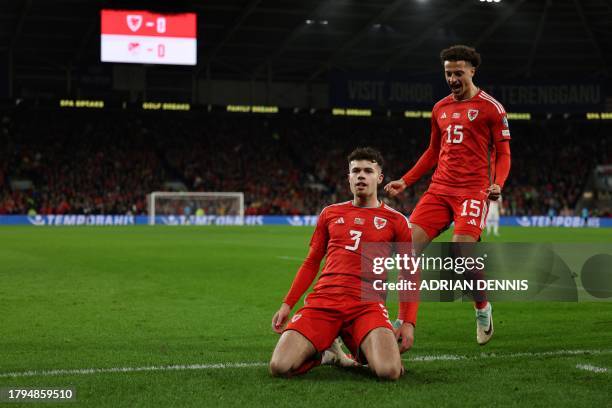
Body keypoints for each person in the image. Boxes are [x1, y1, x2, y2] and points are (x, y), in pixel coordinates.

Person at [385, 45, 511, 345]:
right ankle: (404, 320)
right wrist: (406, 180)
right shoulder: (439, 108)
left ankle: (482, 308)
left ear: (472, 71)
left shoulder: (491, 108)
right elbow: (432, 152)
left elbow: (504, 153)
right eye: (448, 73)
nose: (453, 78)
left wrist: (499, 183)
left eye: (458, 72)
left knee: (460, 252)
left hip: (472, 191)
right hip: (439, 190)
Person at [269, 147, 418, 380]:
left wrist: (408, 322)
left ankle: (351, 350)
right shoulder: (330, 213)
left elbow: (409, 273)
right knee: (279, 366)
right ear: (348, 177)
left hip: (366, 306)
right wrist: (288, 304)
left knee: (389, 371)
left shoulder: (397, 221)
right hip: (323, 302)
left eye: (368, 171)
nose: (361, 175)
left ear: (379, 178)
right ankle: (325, 354)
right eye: (355, 171)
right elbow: (311, 262)